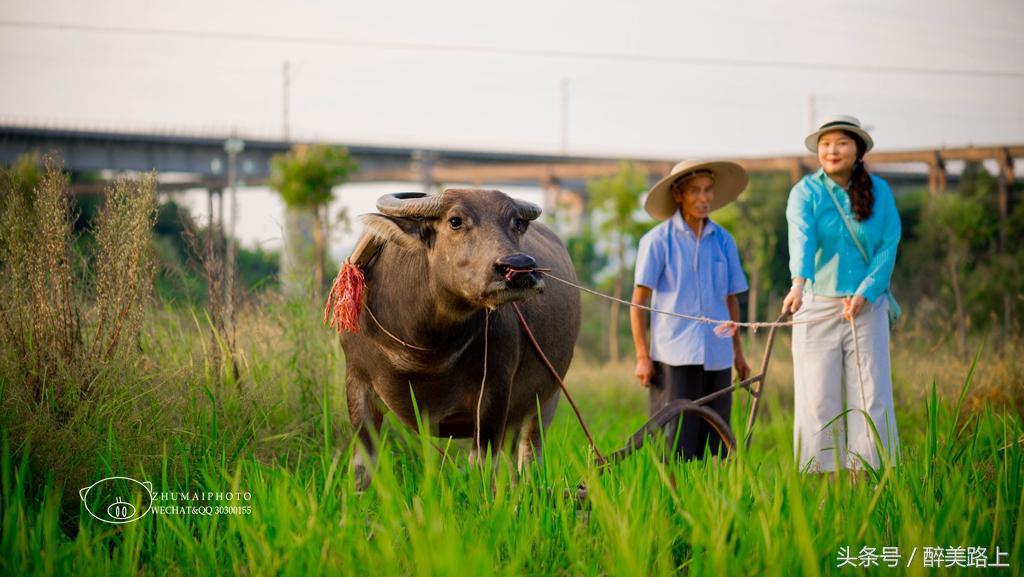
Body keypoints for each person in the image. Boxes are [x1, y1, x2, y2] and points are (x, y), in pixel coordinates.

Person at [782, 114, 901, 474]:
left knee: (870, 396)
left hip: (866, 307)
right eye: (825, 143)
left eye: (842, 142)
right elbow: (801, 238)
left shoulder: (880, 192)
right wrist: (798, 284)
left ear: (858, 149)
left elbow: (887, 245)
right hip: (815, 303)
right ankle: (822, 485)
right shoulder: (805, 192)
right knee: (817, 398)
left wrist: (865, 292)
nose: (832, 150)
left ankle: (867, 481)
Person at [630, 159, 751, 460]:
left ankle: (711, 502)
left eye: (708, 191)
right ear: (678, 194)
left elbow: (731, 300)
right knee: (675, 442)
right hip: (674, 354)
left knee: (717, 442)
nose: (704, 198)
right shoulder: (657, 241)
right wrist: (643, 357)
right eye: (695, 191)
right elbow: (638, 302)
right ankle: (671, 501)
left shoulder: (724, 241)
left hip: (717, 354)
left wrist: (738, 354)